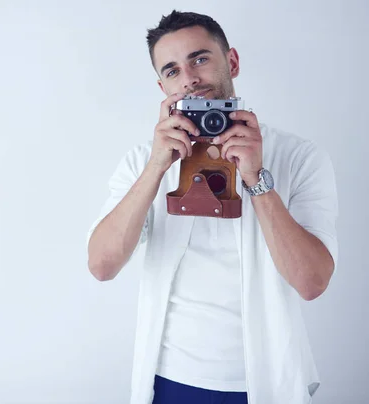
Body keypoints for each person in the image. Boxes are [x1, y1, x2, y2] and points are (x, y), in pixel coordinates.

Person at [86, 10, 338, 404]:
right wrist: (157, 167)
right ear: (162, 86)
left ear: (231, 61)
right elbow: (101, 265)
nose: (188, 78)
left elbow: (311, 283)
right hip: (168, 378)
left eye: (200, 58)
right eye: (172, 70)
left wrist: (257, 180)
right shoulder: (143, 161)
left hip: (264, 381)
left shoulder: (300, 158)